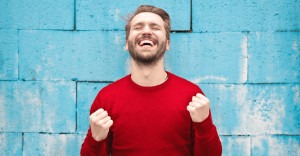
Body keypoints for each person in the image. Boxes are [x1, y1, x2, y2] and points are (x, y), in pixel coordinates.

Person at [81, 5, 222, 156]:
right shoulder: (106, 99)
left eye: (155, 27)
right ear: (127, 44)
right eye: (138, 27)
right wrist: (95, 140)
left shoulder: (192, 96)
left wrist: (204, 124)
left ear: (167, 44)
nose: (146, 31)